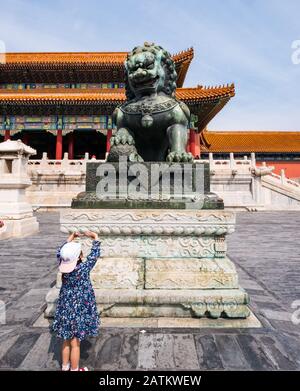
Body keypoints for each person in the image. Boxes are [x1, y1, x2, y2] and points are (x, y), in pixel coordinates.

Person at [51, 230, 101, 371]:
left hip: (65, 309)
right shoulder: (83, 269)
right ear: (80, 255)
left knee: (65, 341)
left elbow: (60, 252)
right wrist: (95, 237)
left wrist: (71, 238)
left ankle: (65, 367)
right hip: (78, 312)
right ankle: (75, 369)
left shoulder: (63, 266)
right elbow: (94, 255)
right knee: (75, 344)